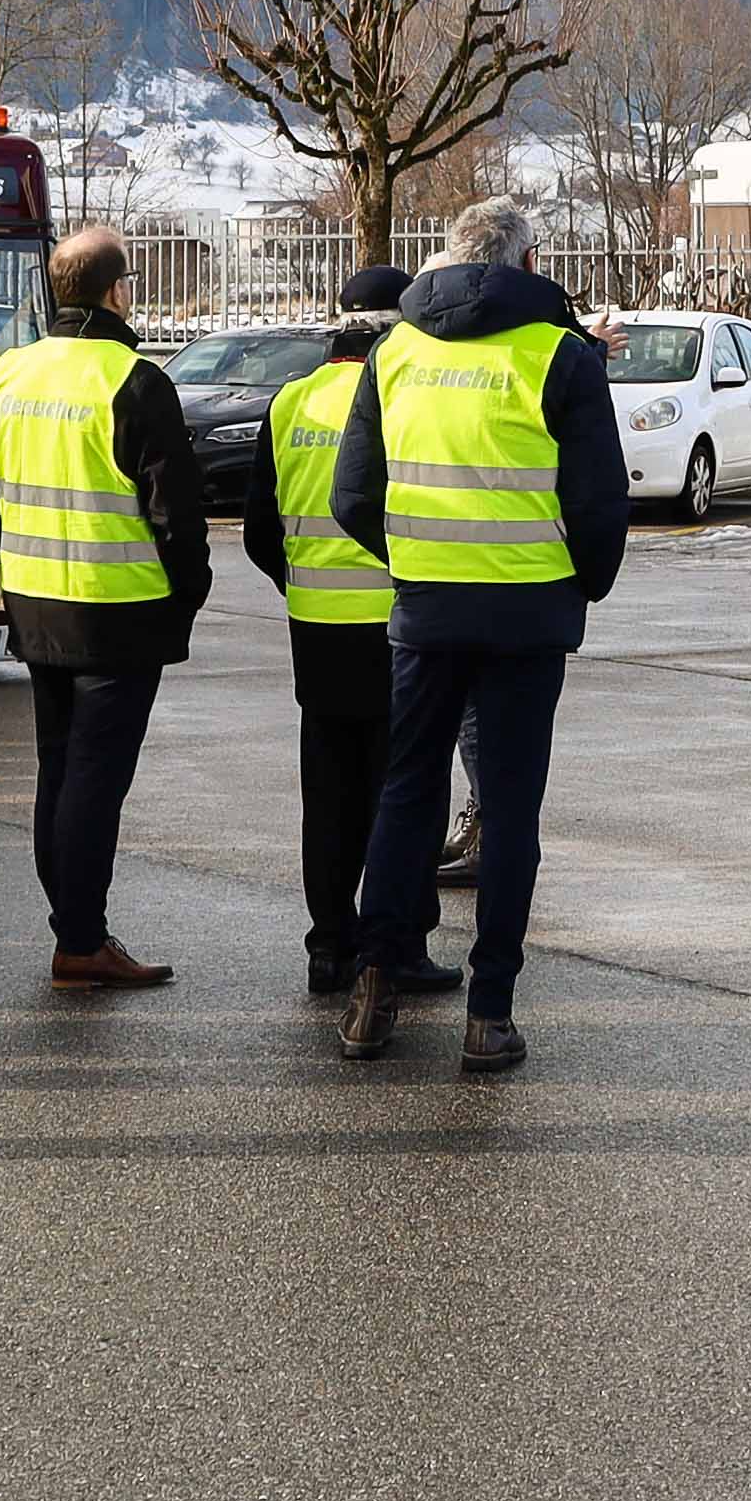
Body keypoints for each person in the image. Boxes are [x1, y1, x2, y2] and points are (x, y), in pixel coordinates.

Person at [336, 195, 633, 1076]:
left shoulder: (395, 351)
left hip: (426, 612)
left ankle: (373, 990)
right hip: (528, 616)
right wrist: (580, 584)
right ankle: (489, 1012)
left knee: (406, 794)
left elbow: (354, 496)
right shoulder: (559, 355)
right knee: (506, 813)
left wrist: (416, 560)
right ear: (528, 264)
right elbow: (598, 501)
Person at [0, 223, 210, 990]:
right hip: (117, 609)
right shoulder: (134, 379)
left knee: (58, 768)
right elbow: (177, 514)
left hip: (32, 600)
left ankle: (72, 927)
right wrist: (187, 595)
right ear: (117, 291)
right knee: (94, 780)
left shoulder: (9, 371)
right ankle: (81, 940)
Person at [243, 264, 442, 1001]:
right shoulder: (402, 394)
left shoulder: (290, 400)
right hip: (398, 626)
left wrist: (302, 581)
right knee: (404, 790)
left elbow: (260, 529)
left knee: (328, 795)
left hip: (316, 629)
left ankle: (328, 945)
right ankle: (399, 947)